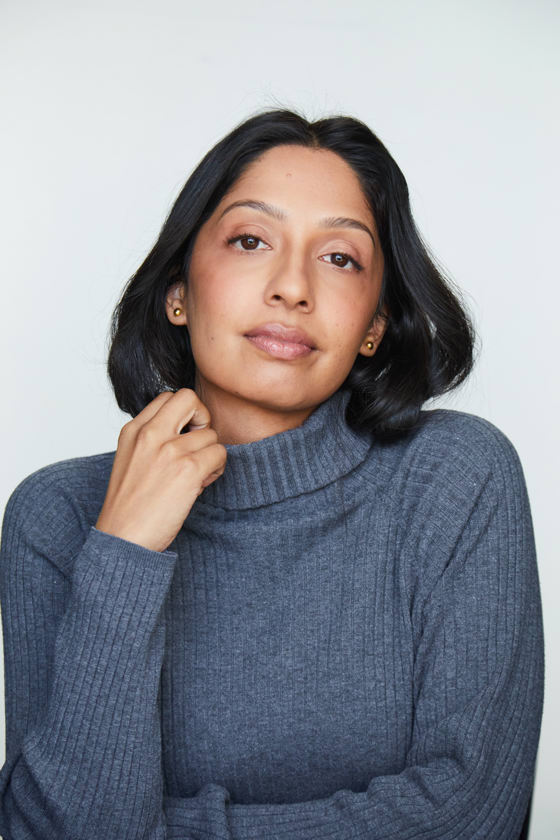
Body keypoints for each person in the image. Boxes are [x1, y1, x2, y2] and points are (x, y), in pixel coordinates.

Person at [0, 108, 544, 840]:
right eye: (251, 240)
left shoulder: (455, 479)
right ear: (178, 291)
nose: (292, 287)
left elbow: (473, 818)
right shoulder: (59, 517)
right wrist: (122, 554)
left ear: (375, 325)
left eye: (340, 258)